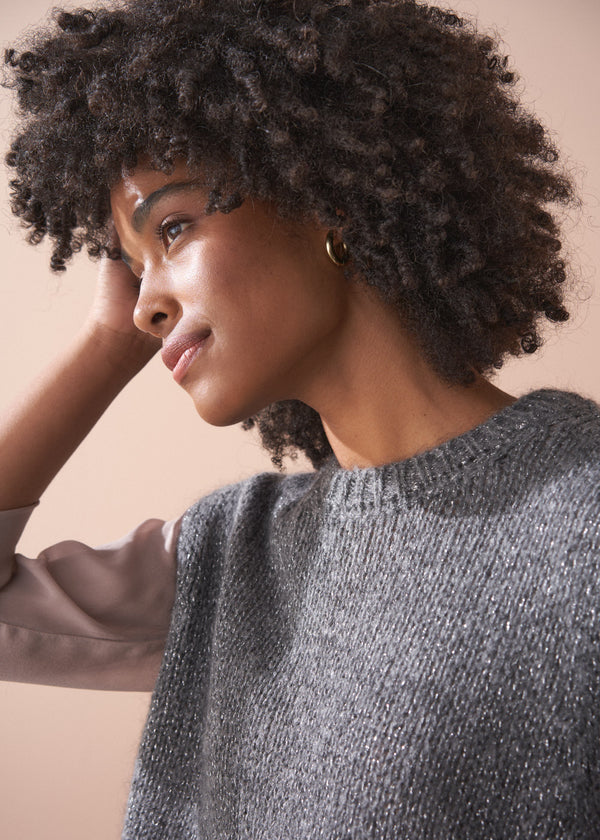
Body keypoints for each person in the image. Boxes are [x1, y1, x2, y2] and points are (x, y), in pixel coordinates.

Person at [1, 0, 599, 836]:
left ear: (325, 194)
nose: (144, 306)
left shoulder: (582, 516)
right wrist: (107, 342)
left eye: (174, 227)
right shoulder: (228, 554)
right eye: (132, 271)